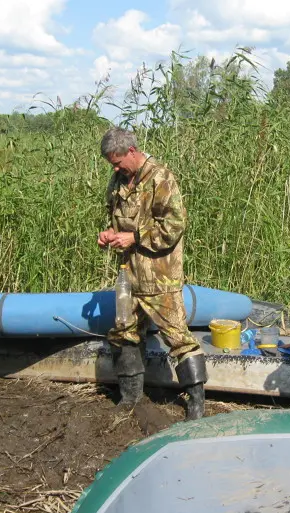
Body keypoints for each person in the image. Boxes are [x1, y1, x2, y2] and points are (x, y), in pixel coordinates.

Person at [98, 127, 207, 420]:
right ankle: (130, 398)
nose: (116, 167)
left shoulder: (161, 177)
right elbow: (118, 218)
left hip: (159, 276)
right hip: (128, 275)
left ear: (131, 151)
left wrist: (134, 237)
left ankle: (196, 405)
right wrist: (110, 234)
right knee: (124, 333)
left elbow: (174, 226)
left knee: (178, 338)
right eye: (112, 164)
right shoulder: (119, 179)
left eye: (118, 161)